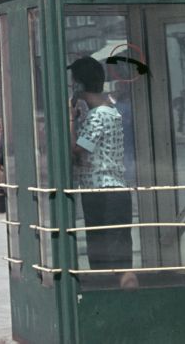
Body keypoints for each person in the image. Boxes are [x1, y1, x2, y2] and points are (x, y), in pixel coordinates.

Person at [69, 56, 136, 289]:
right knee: (113, 261)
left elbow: (76, 150)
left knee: (114, 264)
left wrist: (69, 118)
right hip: (108, 192)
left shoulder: (98, 115)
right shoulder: (108, 111)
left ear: (78, 86)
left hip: (103, 193)